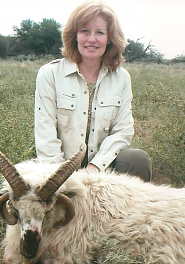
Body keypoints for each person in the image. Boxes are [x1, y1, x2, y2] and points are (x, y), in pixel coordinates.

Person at [34, 0, 152, 182]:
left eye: (100, 32)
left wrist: (95, 167)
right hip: (58, 170)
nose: (91, 39)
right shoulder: (49, 74)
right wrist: (62, 179)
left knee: (137, 160)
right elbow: (45, 133)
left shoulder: (121, 77)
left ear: (110, 38)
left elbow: (123, 131)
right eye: (85, 31)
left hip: (101, 168)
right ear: (74, 35)